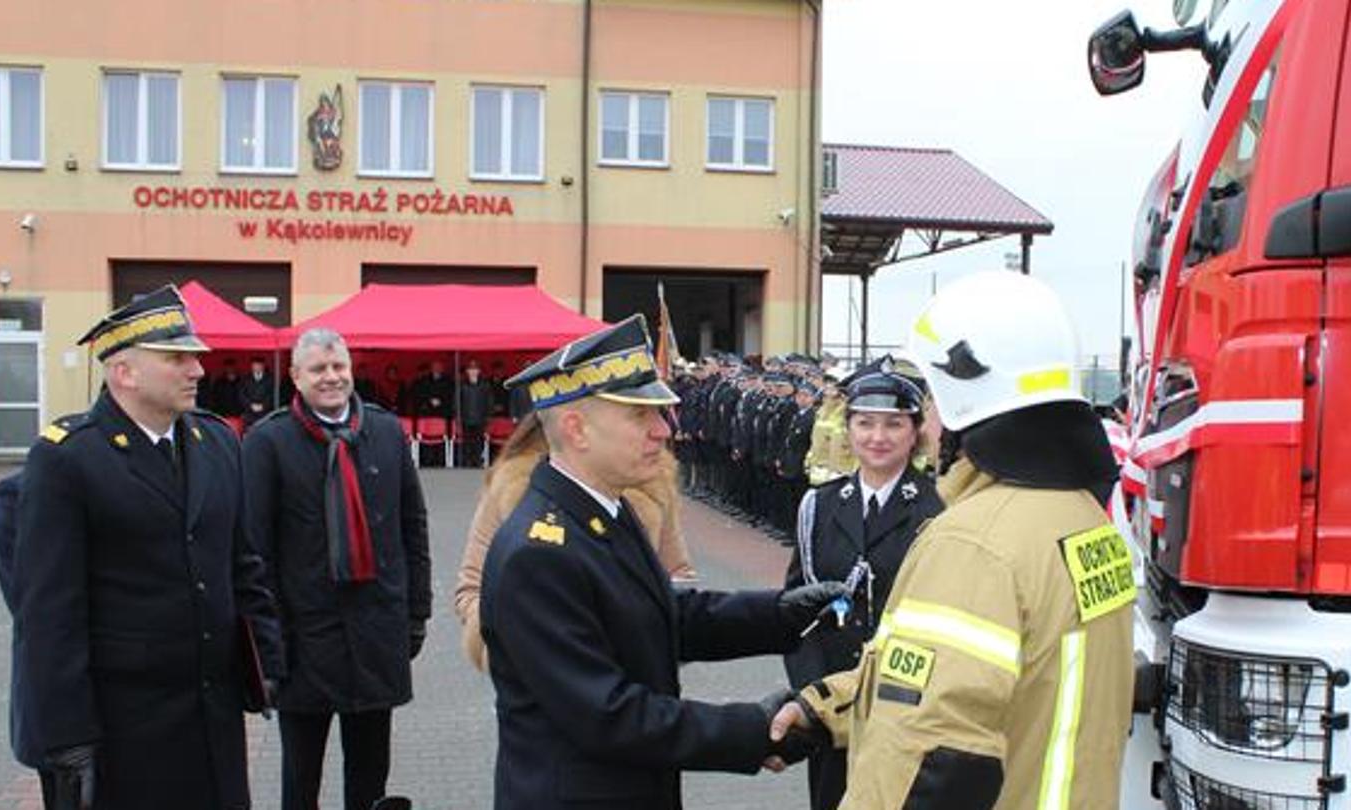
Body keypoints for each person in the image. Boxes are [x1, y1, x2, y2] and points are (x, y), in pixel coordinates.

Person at [769, 271, 1135, 809]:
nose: (930, 424)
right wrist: (824, 707)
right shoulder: (1085, 520)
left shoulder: (974, 543)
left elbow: (930, 753)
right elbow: (984, 681)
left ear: (968, 396)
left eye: (934, 401)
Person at [477, 314, 845, 810]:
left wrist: (782, 615)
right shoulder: (539, 554)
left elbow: (661, 616)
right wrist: (755, 731)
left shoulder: (603, 510)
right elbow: (608, 715)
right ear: (576, 429)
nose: (664, 430)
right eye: (640, 416)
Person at [13, 284, 283, 810]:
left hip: (213, 716)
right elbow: (49, 612)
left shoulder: (217, 443)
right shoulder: (69, 458)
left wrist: (266, 661)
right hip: (125, 726)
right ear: (125, 372)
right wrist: (66, 737)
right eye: (176, 358)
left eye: (195, 356)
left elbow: (243, 563)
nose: (197, 370)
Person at [242, 328, 431, 810]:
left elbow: (413, 526)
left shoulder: (386, 432)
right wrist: (267, 642)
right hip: (304, 639)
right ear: (295, 376)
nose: (331, 377)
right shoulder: (268, 442)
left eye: (338, 366)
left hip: (376, 631)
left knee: (370, 774)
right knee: (300, 776)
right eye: (318, 369)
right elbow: (254, 552)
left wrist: (416, 614)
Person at [782, 358, 945, 810]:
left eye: (894, 424)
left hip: (909, 709)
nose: (878, 437)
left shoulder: (939, 511)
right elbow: (797, 612)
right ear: (848, 427)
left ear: (915, 432)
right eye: (865, 423)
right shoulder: (819, 506)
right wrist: (815, 693)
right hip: (832, 711)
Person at [452, 413, 694, 672]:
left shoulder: (652, 481)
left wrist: (649, 638)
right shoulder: (513, 483)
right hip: (541, 680)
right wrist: (519, 646)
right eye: (636, 415)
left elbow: (677, 575)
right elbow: (473, 587)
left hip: (635, 674)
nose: (663, 429)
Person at [456, 360, 492, 468]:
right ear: (467, 372)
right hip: (466, 418)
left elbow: (489, 402)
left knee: (479, 440)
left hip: (480, 418)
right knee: (467, 441)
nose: (473, 372)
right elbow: (457, 402)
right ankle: (467, 461)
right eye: (471, 370)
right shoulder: (462, 385)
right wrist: (458, 416)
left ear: (479, 371)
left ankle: (478, 460)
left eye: (475, 369)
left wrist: (488, 416)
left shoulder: (485, 385)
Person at [239, 356, 276, 426]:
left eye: (259, 365)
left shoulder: (271, 378)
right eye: (255, 365)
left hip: (266, 413)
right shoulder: (246, 379)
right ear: (251, 366)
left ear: (263, 366)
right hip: (249, 414)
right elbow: (242, 395)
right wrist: (250, 405)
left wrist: (264, 405)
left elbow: (273, 394)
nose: (257, 367)